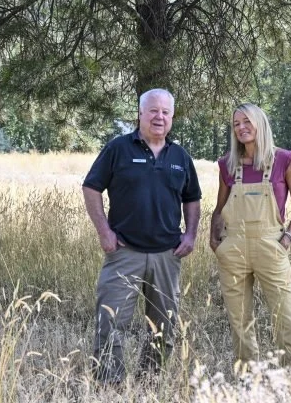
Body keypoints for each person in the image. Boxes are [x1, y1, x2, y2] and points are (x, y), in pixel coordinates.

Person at [82, 88, 202, 385]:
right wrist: (104, 232)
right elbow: (91, 187)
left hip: (167, 255)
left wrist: (190, 234)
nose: (159, 117)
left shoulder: (180, 157)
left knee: (164, 326)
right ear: (140, 113)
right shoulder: (118, 148)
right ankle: (109, 385)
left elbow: (192, 199)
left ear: (172, 117)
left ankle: (151, 383)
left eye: (165, 112)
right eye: (153, 110)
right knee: (110, 322)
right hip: (124, 252)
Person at [209, 103, 291, 366]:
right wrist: (214, 241)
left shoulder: (285, 160)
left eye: (246, 122)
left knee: (287, 316)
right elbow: (219, 208)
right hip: (234, 247)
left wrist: (287, 238)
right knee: (239, 320)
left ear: (260, 124)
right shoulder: (227, 165)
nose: (241, 128)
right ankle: (248, 378)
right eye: (236, 124)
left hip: (270, 245)